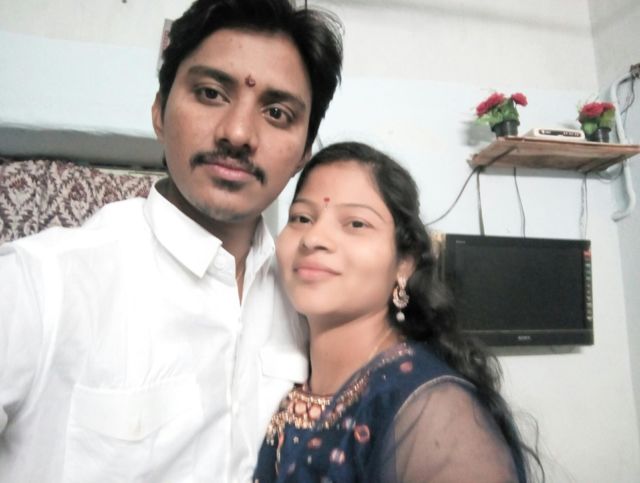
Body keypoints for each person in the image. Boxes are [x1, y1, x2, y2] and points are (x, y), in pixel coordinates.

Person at [0, 1, 342, 481]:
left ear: (304, 150)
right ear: (159, 111)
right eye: (210, 93)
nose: (238, 133)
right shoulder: (41, 284)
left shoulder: (310, 305)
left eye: (277, 112)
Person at [252, 142, 542, 482]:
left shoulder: (432, 410)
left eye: (356, 223)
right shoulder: (281, 381)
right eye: (302, 218)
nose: (314, 237)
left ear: (404, 263)